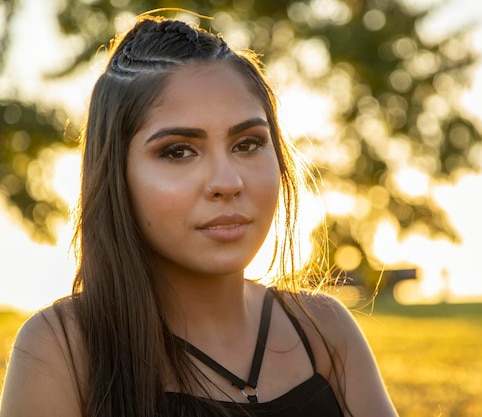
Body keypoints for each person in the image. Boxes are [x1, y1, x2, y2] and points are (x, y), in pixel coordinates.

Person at [0, 12, 398, 417]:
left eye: (247, 144)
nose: (227, 181)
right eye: (178, 151)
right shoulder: (62, 349)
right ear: (117, 174)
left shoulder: (325, 331)